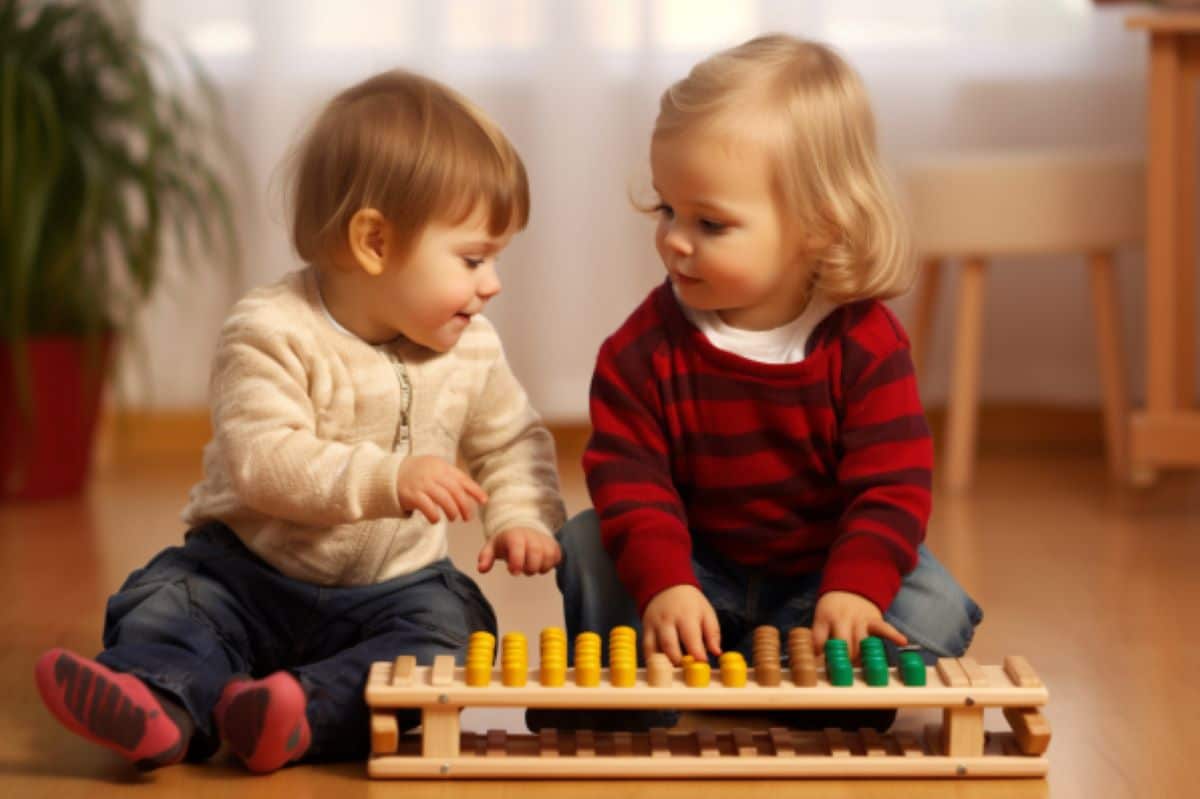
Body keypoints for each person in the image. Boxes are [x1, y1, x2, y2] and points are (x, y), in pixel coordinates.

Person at [35, 69, 565, 773]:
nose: (491, 283)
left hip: (395, 588)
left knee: (455, 639)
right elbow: (262, 458)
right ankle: (157, 702)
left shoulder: (473, 347)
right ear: (375, 242)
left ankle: (289, 713)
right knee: (172, 602)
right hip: (250, 571)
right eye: (472, 258)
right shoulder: (270, 328)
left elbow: (511, 437)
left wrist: (524, 514)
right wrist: (389, 477)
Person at [529, 34, 981, 733]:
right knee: (590, 541)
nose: (676, 239)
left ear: (819, 226)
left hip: (817, 583)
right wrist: (668, 582)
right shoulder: (642, 349)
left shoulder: (862, 342)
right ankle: (636, 687)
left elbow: (891, 486)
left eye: (710, 222)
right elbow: (630, 478)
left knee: (935, 602)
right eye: (666, 210)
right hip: (693, 573)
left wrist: (855, 589)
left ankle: (805, 674)